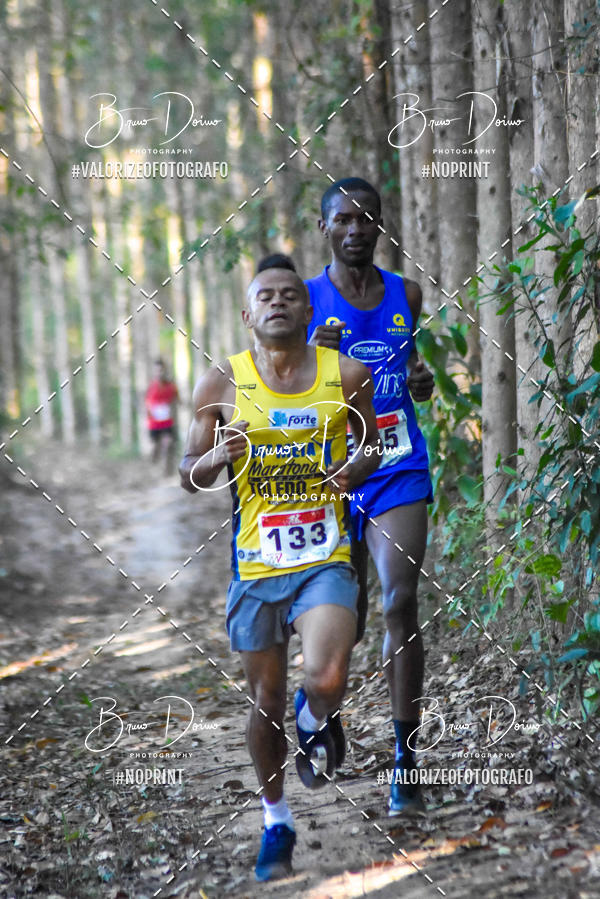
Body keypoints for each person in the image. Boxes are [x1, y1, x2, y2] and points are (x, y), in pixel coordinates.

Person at [179, 257, 381, 881]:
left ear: (308, 309)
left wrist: (355, 469)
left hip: (324, 554)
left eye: (290, 294)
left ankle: (317, 713)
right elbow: (189, 475)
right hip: (257, 561)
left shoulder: (346, 374)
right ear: (247, 314)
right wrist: (217, 454)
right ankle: (276, 820)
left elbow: (374, 442)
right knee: (263, 698)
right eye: (265, 296)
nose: (278, 303)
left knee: (323, 676)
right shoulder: (221, 384)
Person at [306, 177, 435, 816]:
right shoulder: (303, 301)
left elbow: (414, 378)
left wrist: (423, 380)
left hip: (394, 462)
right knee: (342, 617)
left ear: (381, 226)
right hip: (328, 474)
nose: (356, 230)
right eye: (343, 220)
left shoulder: (406, 294)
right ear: (324, 227)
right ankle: (318, 708)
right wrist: (315, 357)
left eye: (368, 219)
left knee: (400, 598)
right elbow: (283, 388)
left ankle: (405, 759)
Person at [145, 359, 179, 475]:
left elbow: (177, 399)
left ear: (164, 370)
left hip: (167, 422)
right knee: (154, 448)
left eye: (161, 370)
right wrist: (149, 412)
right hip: (154, 422)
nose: (159, 372)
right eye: (157, 370)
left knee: (168, 444)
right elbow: (146, 402)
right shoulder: (150, 385)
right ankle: (152, 466)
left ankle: (167, 472)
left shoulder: (171, 386)